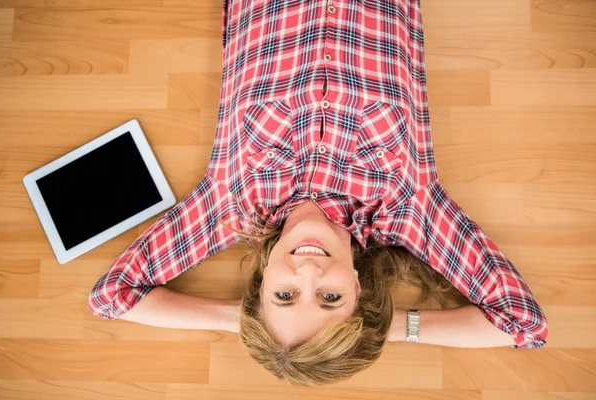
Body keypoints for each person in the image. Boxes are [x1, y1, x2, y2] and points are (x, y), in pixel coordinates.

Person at [89, 0, 548, 386]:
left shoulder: (231, 201)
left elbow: (113, 297)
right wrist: (380, 329)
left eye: (284, 296)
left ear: (262, 283)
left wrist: (252, 325)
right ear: (358, 288)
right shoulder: (407, 206)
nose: (308, 270)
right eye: (330, 299)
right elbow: (523, 325)